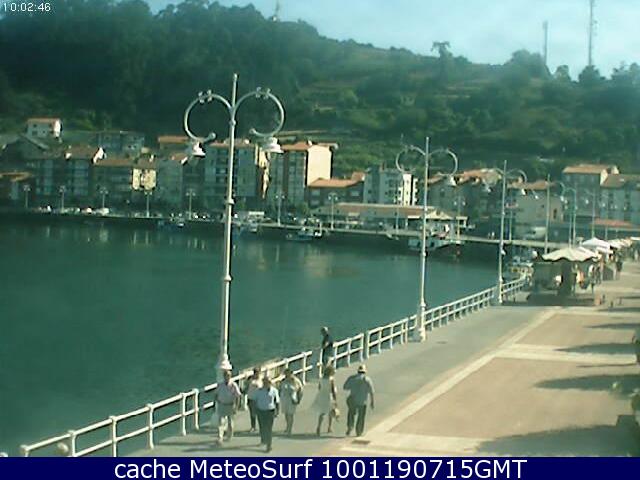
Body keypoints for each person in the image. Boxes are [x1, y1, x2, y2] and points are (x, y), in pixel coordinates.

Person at [250, 376, 280, 453]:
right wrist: (253, 411)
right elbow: (254, 401)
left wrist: (277, 411)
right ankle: (263, 439)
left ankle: (269, 445)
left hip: (270, 411)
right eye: (265, 382)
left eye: (268, 382)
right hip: (261, 411)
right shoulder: (258, 391)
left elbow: (277, 401)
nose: (267, 384)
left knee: (269, 428)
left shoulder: (274, 391)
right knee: (262, 427)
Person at [343, 364, 375, 437]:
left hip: (353, 399)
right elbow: (371, 392)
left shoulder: (352, 378)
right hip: (362, 401)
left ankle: (350, 427)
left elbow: (345, 387)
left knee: (351, 414)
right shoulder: (367, 380)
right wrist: (372, 402)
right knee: (361, 417)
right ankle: (359, 431)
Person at [212, 370, 241, 445]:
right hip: (222, 405)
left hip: (230, 405)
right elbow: (215, 395)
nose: (227, 377)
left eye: (229, 376)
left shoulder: (233, 385)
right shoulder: (220, 385)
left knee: (230, 422)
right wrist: (214, 404)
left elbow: (238, 396)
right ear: (224, 376)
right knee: (220, 422)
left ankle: (229, 435)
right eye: (226, 375)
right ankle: (220, 438)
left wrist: (236, 406)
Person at [278, 368, 304, 436]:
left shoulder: (296, 381)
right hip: (284, 399)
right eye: (286, 374)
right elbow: (280, 389)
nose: (287, 375)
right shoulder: (283, 381)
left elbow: (300, 390)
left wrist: (299, 399)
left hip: (292, 399)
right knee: (286, 414)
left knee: (290, 414)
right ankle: (287, 426)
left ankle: (290, 429)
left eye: (288, 374)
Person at [313, 365, 337, 436]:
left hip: (321, 395)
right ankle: (329, 427)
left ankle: (319, 426)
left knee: (322, 412)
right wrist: (335, 399)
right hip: (328, 396)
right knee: (330, 412)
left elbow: (319, 387)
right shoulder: (331, 380)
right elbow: (332, 390)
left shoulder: (321, 379)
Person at [243, 366, 262, 433]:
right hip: (251, 398)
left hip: (259, 399)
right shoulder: (250, 379)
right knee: (252, 414)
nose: (256, 373)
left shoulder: (261, 379)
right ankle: (253, 427)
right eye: (255, 372)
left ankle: (261, 427)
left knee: (260, 414)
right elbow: (246, 386)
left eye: (257, 372)